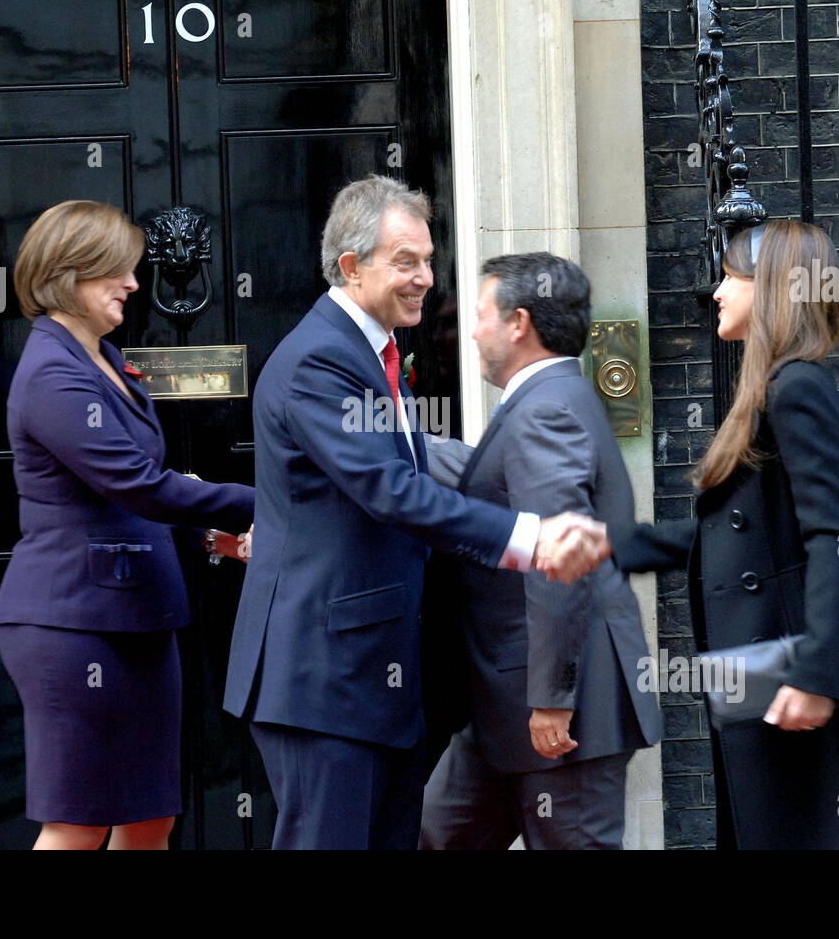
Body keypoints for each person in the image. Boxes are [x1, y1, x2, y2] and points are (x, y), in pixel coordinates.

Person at [222, 175, 609, 850]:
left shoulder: (371, 355)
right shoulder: (321, 361)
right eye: (406, 261)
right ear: (351, 266)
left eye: (428, 259)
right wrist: (530, 536)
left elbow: (398, 474)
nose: (427, 277)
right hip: (325, 683)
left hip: (372, 681)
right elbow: (391, 490)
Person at [608, 219, 839, 848]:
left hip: (795, 690)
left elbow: (830, 539)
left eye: (731, 277)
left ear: (773, 288)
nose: (716, 291)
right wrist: (612, 546)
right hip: (765, 690)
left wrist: (814, 675)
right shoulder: (771, 389)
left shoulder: (797, 388)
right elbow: (735, 538)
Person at [0, 200, 254, 850]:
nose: (135, 285)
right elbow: (135, 484)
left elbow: (126, 495)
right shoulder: (53, 372)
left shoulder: (106, 357)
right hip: (73, 625)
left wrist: (204, 534)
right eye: (117, 271)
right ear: (69, 274)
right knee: (78, 822)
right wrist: (267, 503)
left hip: (142, 621)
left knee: (148, 818)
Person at [417, 252, 662, 850]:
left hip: (555, 712)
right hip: (506, 706)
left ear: (518, 322)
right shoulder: (549, 401)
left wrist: (553, 698)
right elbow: (495, 484)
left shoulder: (545, 409)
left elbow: (560, 558)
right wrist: (400, 443)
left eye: (479, 315)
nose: (471, 331)